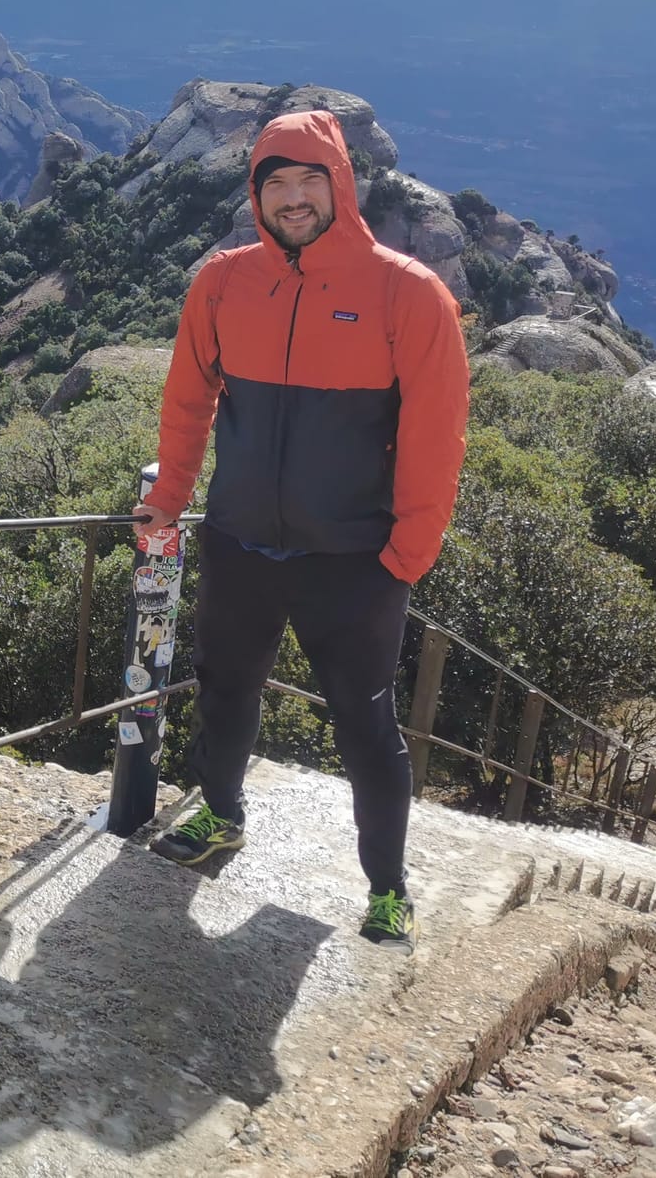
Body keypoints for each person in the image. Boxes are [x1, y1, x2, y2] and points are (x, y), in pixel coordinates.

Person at [132, 109, 470, 948]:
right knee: (226, 691)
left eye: (308, 180)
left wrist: (406, 556)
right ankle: (220, 814)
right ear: (255, 194)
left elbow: (437, 432)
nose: (292, 198)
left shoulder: (407, 292)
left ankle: (388, 887)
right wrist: (169, 498)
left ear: (340, 186)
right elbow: (188, 401)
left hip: (354, 559)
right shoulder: (221, 283)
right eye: (274, 183)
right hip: (241, 539)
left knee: (365, 723)